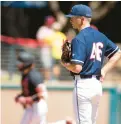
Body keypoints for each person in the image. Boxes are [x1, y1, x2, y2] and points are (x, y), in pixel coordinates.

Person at [61, 4, 121, 124]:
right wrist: (104, 70)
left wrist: (65, 64)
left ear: (82, 19)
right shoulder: (101, 36)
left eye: (73, 17)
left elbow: (77, 68)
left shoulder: (79, 39)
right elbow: (118, 53)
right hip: (97, 86)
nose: (71, 19)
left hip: (83, 86)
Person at [15, 51, 48, 124]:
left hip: (38, 107)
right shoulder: (25, 75)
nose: (18, 65)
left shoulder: (34, 76)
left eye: (20, 63)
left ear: (26, 64)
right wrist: (20, 96)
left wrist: (26, 100)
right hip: (30, 108)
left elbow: (43, 94)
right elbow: (28, 91)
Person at [36, 15, 55, 81]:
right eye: (49, 22)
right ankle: (47, 80)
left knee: (50, 66)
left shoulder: (52, 30)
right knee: (46, 66)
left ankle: (46, 79)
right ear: (46, 22)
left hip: (52, 52)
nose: (50, 23)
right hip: (44, 51)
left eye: (51, 22)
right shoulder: (42, 29)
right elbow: (39, 41)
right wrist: (48, 43)